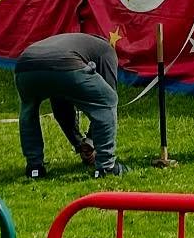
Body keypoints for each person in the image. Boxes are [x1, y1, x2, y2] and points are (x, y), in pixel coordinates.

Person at [14, 29, 126, 180]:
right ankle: (106, 167)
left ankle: (34, 168)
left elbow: (61, 108)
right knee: (108, 100)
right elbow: (105, 99)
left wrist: (80, 144)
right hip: (64, 63)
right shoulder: (106, 50)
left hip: (24, 66)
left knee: (29, 111)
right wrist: (91, 142)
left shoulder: (75, 42)